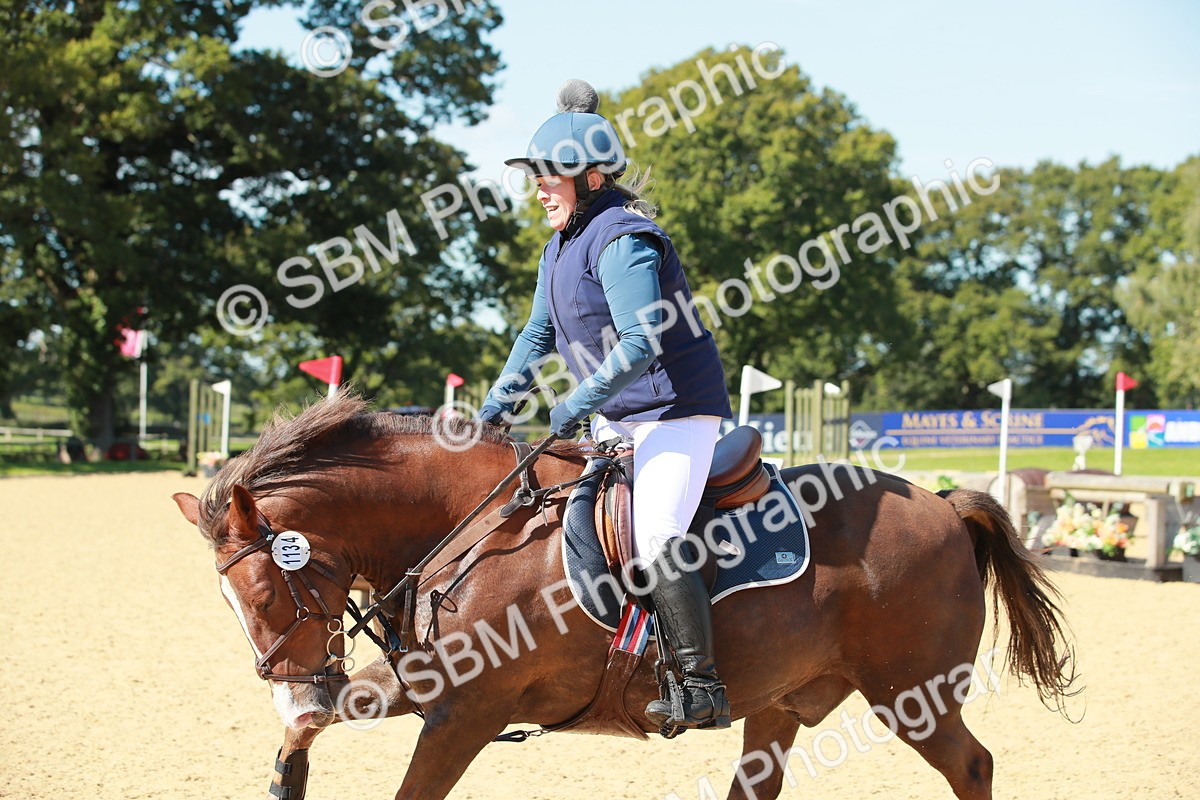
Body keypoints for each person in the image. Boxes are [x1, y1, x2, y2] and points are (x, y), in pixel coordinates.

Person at [478, 80, 733, 730]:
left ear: (591, 178)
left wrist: (574, 402)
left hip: (674, 412)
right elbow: (538, 333)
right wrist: (494, 408)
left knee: (656, 534)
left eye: (550, 178)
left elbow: (641, 343)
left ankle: (701, 685)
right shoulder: (559, 246)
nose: (539, 190)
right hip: (617, 416)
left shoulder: (625, 237)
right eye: (535, 178)